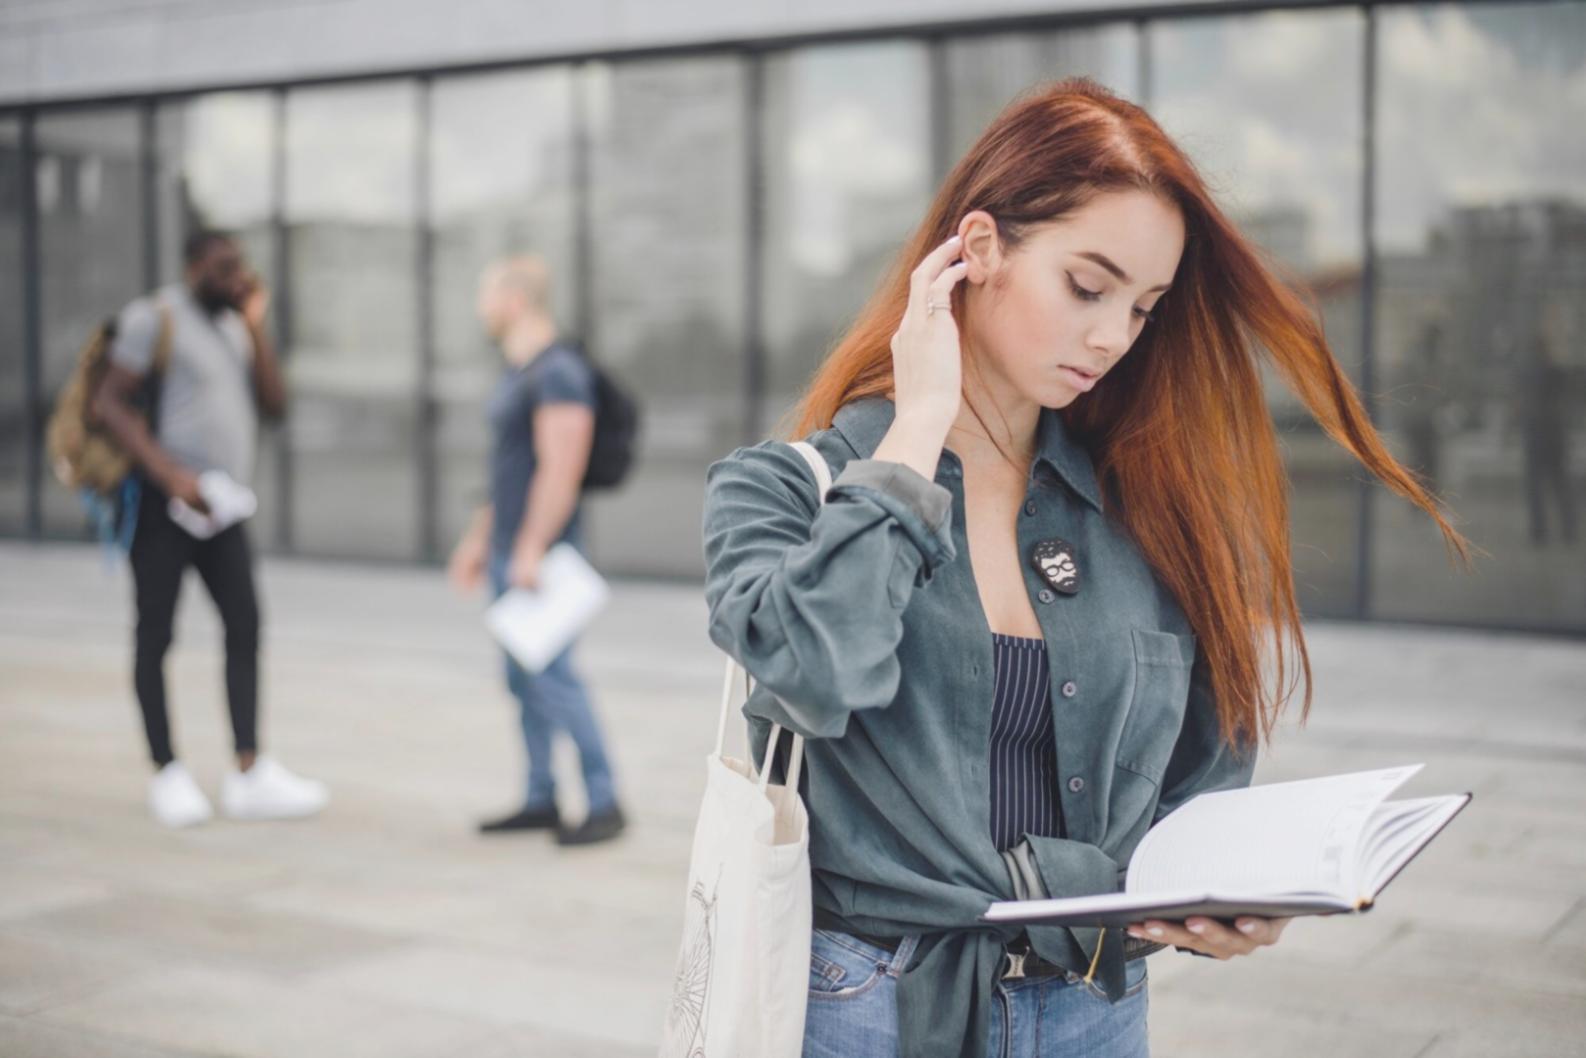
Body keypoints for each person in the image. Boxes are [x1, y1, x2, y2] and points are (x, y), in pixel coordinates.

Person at [701, 79, 1468, 1058]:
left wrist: (1220, 891)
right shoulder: (780, 488)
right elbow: (814, 667)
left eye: (1142, 307)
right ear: (978, 250)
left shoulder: (1141, 508)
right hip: (868, 1008)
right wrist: (916, 427)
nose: (1111, 335)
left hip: (1093, 1008)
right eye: (1085, 285)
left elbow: (1198, 770)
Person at [93, 230, 328, 828]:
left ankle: (249, 770)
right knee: (156, 634)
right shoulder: (155, 317)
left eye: (241, 267)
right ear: (195, 266)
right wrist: (170, 475)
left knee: (245, 624)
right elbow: (109, 403)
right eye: (223, 268)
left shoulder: (233, 325)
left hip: (222, 508)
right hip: (162, 505)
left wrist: (254, 325)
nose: (235, 277)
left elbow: (275, 405)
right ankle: (167, 770)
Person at [448, 256, 625, 846]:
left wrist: (530, 546)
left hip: (539, 553)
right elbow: (511, 470)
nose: (480, 307)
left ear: (515, 300)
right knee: (522, 678)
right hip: (508, 548)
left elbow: (561, 467)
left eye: (486, 294)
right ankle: (540, 797)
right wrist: (480, 540)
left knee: (554, 675)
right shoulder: (520, 370)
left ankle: (605, 802)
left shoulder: (558, 373)